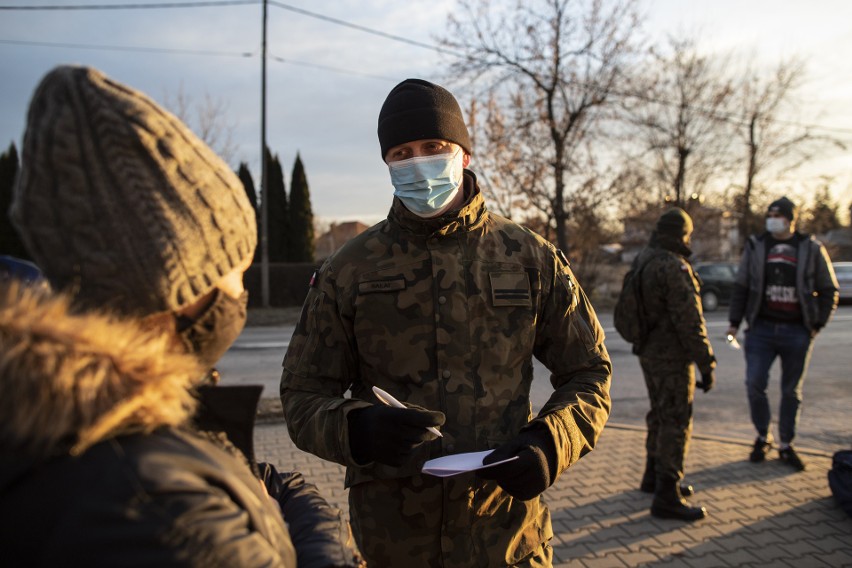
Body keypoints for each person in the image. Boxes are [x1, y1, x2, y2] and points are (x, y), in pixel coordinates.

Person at [0, 65, 363, 567]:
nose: (241, 292)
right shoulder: (160, 511)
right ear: (175, 292)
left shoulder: (94, 419)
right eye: (233, 270)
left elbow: (253, 480)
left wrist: (272, 497)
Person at [279, 78, 612, 566]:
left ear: (464, 154)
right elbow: (302, 396)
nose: (418, 163)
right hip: (392, 541)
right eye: (401, 153)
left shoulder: (529, 258)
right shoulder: (349, 269)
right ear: (387, 164)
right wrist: (356, 429)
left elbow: (590, 373)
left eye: (432, 147)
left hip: (507, 537)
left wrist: (550, 442)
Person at [726, 197, 839, 472]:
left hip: (796, 331)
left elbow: (829, 290)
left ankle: (786, 444)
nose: (772, 218)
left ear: (790, 219)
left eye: (777, 214)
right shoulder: (756, 245)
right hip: (760, 330)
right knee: (754, 384)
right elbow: (742, 286)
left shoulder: (810, 248)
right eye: (770, 214)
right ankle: (763, 436)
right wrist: (734, 322)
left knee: (791, 391)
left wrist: (816, 324)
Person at [628, 208, 716, 522]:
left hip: (648, 352)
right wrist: (707, 363)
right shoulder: (673, 266)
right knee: (676, 420)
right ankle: (667, 493)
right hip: (673, 357)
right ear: (681, 234)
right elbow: (691, 323)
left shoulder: (644, 259)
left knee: (659, 413)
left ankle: (653, 476)